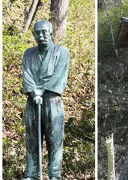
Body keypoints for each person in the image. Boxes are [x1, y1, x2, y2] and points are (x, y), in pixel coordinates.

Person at [22, 20, 69, 180]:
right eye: (37, 33)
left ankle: (54, 175)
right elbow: (27, 74)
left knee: (55, 140)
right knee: (32, 140)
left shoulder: (62, 52)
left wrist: (42, 90)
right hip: (32, 100)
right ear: (34, 35)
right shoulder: (28, 53)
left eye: (44, 32)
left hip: (53, 101)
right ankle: (32, 174)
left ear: (50, 33)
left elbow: (59, 75)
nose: (41, 35)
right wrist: (34, 92)